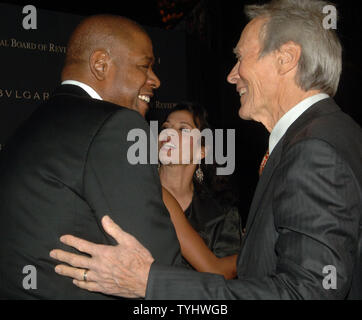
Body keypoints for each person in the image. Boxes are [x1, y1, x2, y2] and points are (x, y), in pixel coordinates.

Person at [51, 0, 362, 299]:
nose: (232, 74)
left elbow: (307, 292)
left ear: (286, 58)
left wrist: (149, 282)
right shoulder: (324, 135)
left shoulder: (314, 150)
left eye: (241, 58)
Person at [0, 15, 183, 299]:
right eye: (144, 66)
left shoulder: (32, 127)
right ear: (100, 64)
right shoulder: (117, 126)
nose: (155, 80)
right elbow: (161, 272)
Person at [158, 103, 242, 279]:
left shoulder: (222, 214)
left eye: (183, 129)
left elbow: (224, 285)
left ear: (202, 150)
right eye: (166, 127)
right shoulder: (138, 188)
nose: (169, 134)